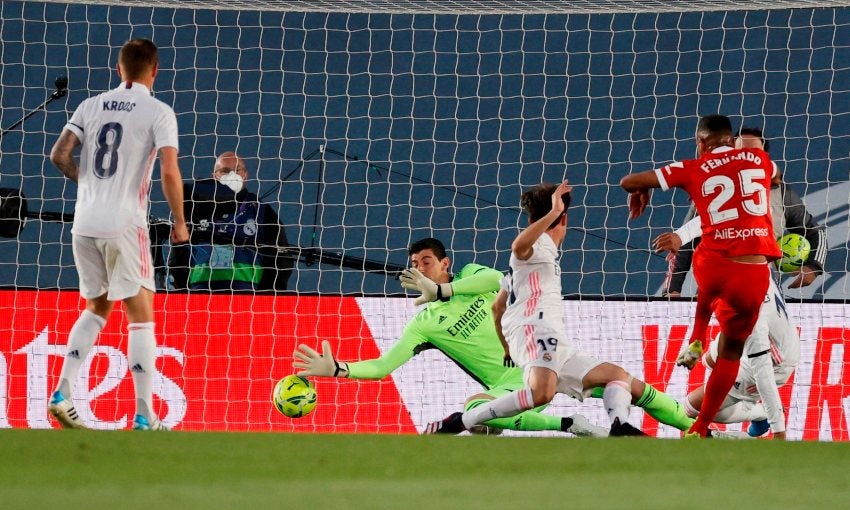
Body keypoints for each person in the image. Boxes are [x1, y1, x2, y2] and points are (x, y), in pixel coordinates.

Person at [423, 182, 698, 437]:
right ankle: (461, 421)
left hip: (549, 337)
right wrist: (554, 210)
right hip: (535, 330)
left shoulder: (536, 258)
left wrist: (508, 348)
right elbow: (518, 246)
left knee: (619, 377)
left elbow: (498, 306)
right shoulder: (538, 245)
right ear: (563, 219)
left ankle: (620, 426)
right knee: (541, 394)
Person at [292, 237, 608, 437]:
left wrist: (445, 290)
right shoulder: (424, 324)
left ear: (446, 263)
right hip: (511, 388)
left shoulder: (472, 275)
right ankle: (569, 424)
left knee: (620, 388)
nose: (420, 269)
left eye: (427, 262)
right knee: (476, 411)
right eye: (414, 265)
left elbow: (500, 279)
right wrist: (338, 369)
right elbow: (381, 367)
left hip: (544, 361)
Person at [47, 38, 188, 431]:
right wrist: (179, 222)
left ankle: (62, 391)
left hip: (85, 222)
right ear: (154, 70)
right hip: (124, 224)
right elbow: (169, 172)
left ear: (118, 67)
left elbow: (59, 154)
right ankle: (145, 414)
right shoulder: (159, 111)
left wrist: (88, 185)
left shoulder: (90, 105)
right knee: (141, 317)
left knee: (96, 308)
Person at [621, 114, 782, 438]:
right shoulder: (760, 160)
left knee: (707, 289)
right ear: (732, 140)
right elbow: (775, 176)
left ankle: (695, 336)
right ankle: (701, 427)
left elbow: (629, 180)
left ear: (700, 142)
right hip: (752, 271)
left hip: (714, 266)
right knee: (731, 351)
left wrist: (641, 190)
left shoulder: (691, 169)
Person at [655, 216, 801, 440]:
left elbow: (764, 377)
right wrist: (680, 236)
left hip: (775, 362)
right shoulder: (751, 262)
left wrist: (779, 430)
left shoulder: (752, 317)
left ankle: (759, 414)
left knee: (691, 408)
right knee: (708, 361)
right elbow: (714, 221)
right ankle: (736, 395)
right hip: (762, 334)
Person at [663, 126, 826, 295]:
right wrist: (672, 291)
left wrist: (814, 267)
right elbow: (684, 244)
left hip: (764, 293)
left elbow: (816, 232)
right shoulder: (711, 191)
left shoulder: (782, 193)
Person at [167, 151, 293, 292]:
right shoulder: (193, 210)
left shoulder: (262, 212)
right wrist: (183, 293)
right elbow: (178, 256)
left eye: (237, 170)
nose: (232, 175)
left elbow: (282, 260)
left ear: (245, 175)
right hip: (200, 297)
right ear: (214, 176)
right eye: (225, 171)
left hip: (247, 299)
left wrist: (266, 298)